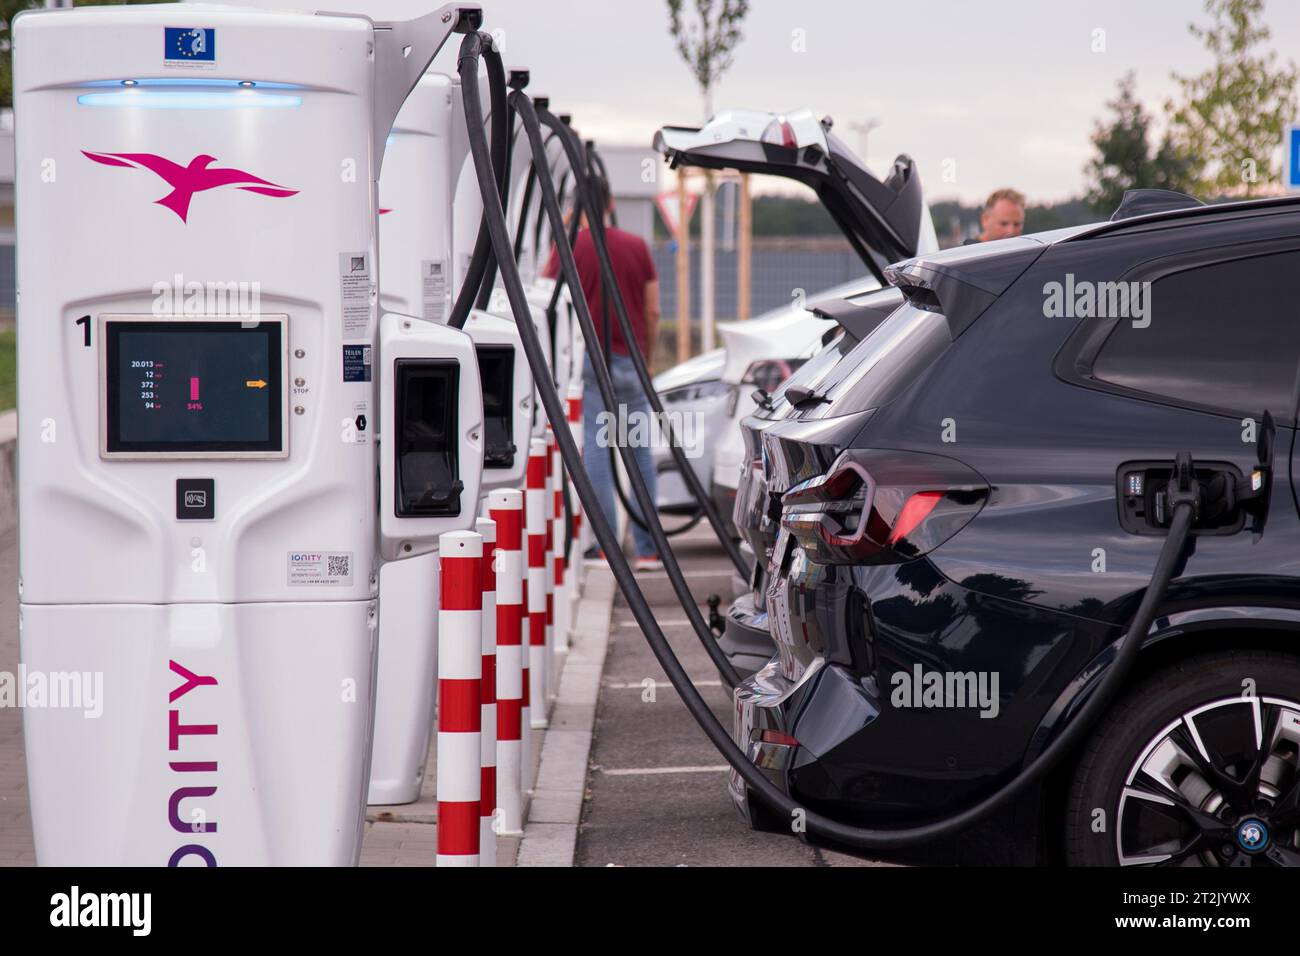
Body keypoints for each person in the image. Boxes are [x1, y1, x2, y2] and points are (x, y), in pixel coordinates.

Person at [544, 176, 662, 571]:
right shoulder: (636, 246)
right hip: (631, 361)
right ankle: (648, 549)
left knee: (596, 449)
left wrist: (565, 228)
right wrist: (646, 358)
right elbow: (653, 310)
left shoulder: (569, 248)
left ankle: (607, 546)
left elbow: (542, 295)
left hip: (589, 361)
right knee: (638, 453)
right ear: (611, 201)